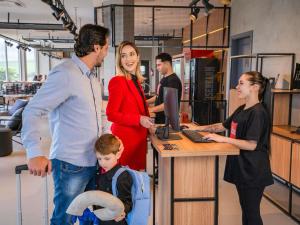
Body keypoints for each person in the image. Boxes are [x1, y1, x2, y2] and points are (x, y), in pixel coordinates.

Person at [21, 24, 111, 225]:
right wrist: (34, 152)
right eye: (106, 48)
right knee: (64, 220)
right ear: (96, 47)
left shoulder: (93, 80)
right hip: (71, 164)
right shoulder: (65, 73)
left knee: (90, 218)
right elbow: (33, 110)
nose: (106, 53)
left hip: (93, 161)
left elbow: (97, 116)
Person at [198, 71, 273, 225]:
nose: (237, 87)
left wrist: (222, 139)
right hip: (242, 168)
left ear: (255, 87)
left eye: (241, 83)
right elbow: (222, 126)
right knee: (246, 210)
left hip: (253, 171)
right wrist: (195, 129)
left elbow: (252, 145)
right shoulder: (242, 109)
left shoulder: (258, 113)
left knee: (251, 214)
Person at [106, 41, 153, 171]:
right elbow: (111, 114)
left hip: (138, 141)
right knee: (125, 185)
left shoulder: (135, 80)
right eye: (123, 55)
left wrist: (149, 127)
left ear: (138, 57)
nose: (128, 59)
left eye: (132, 54)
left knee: (134, 185)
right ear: (120, 61)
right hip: (125, 144)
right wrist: (139, 119)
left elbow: (140, 109)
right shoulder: (118, 81)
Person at [94, 133, 132, 225]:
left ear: (118, 155)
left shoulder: (123, 176)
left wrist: (124, 211)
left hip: (116, 221)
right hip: (101, 219)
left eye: (107, 159)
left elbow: (128, 201)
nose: (103, 163)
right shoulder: (98, 172)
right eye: (99, 159)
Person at [147, 52, 182, 124]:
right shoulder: (164, 78)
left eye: (159, 65)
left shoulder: (173, 81)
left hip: (168, 121)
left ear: (167, 63)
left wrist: (151, 109)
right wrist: (145, 102)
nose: (157, 68)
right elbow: (157, 96)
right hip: (160, 118)